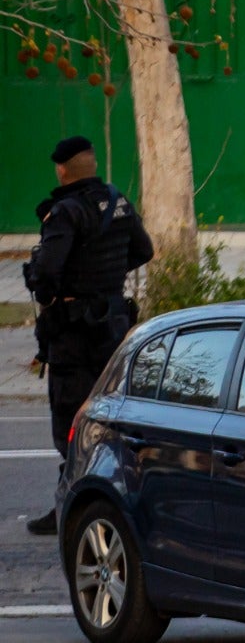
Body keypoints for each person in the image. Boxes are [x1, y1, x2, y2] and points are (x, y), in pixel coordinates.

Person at [23, 135, 152, 535]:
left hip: (74, 336)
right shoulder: (119, 203)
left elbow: (45, 279)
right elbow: (143, 251)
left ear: (63, 170)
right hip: (113, 330)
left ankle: (69, 509)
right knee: (110, 420)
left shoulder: (65, 213)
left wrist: (39, 278)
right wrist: (106, 279)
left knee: (70, 421)